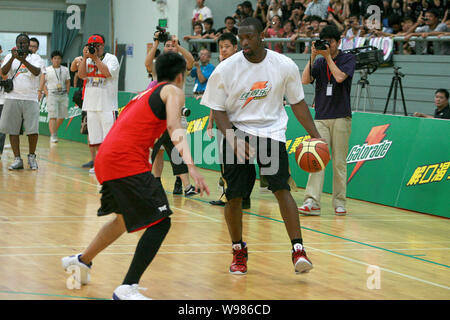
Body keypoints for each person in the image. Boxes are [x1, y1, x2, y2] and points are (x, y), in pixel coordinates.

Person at [62, 52, 210, 300]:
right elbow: (174, 127)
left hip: (108, 158)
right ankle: (127, 287)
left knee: (122, 220)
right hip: (124, 160)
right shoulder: (173, 90)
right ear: (180, 75)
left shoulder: (146, 91)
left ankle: (82, 261)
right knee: (161, 221)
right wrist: (191, 167)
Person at [201, 17, 322, 275]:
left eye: (249, 37)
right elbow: (218, 109)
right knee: (233, 195)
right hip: (236, 131)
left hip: (270, 132)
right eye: (240, 38)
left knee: (281, 188)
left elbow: (298, 103)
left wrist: (315, 135)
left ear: (262, 36)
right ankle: (238, 250)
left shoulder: (283, 65)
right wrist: (232, 138)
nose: (244, 42)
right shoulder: (226, 68)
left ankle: (298, 249)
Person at [299, 25, 356, 216]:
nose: (327, 46)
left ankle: (339, 202)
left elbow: (339, 77)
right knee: (317, 160)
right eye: (324, 43)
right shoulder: (320, 62)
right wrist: (313, 56)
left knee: (339, 162)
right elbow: (305, 80)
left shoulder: (348, 58)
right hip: (321, 117)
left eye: (330, 43)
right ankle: (311, 201)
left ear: (338, 42)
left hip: (341, 116)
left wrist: (328, 57)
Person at [145, 32, 198, 196]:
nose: (170, 47)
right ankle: (156, 181)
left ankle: (181, 182)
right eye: (167, 45)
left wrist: (179, 46)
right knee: (158, 151)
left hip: (177, 113)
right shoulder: (158, 64)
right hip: (159, 114)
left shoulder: (180, 64)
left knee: (178, 149)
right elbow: (147, 64)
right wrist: (155, 44)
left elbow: (191, 61)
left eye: (172, 45)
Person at [0, 33, 44, 170]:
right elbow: (3, 72)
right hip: (12, 97)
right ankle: (17, 158)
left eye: (24, 43)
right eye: (19, 42)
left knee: (33, 130)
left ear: (28, 44)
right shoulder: (10, 56)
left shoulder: (35, 57)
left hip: (30, 98)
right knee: (12, 129)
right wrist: (13, 57)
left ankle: (31, 156)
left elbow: (37, 72)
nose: (22, 45)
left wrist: (23, 60)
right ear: (16, 43)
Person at [77, 34, 119, 175]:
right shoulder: (87, 59)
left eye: (98, 46)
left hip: (107, 105)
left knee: (109, 139)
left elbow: (107, 73)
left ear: (103, 45)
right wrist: (85, 58)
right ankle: (99, 164)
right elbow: (82, 75)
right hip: (91, 104)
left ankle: (110, 165)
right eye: (92, 46)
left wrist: (95, 58)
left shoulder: (111, 59)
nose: (95, 48)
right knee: (95, 139)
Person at [70, 55, 95, 169]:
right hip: (86, 102)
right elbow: (73, 70)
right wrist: (77, 60)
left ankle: (101, 159)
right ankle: (93, 159)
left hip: (98, 101)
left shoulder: (99, 62)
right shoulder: (83, 61)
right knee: (89, 133)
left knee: (100, 134)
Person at [42, 50, 71, 143]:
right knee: (52, 116)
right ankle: (53, 135)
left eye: (58, 58)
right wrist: (46, 93)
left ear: (61, 59)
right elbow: (43, 82)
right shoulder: (47, 70)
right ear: (51, 59)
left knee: (62, 116)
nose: (57, 60)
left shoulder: (65, 69)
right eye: (55, 58)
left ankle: (53, 131)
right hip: (51, 94)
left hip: (63, 94)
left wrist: (67, 92)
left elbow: (67, 81)